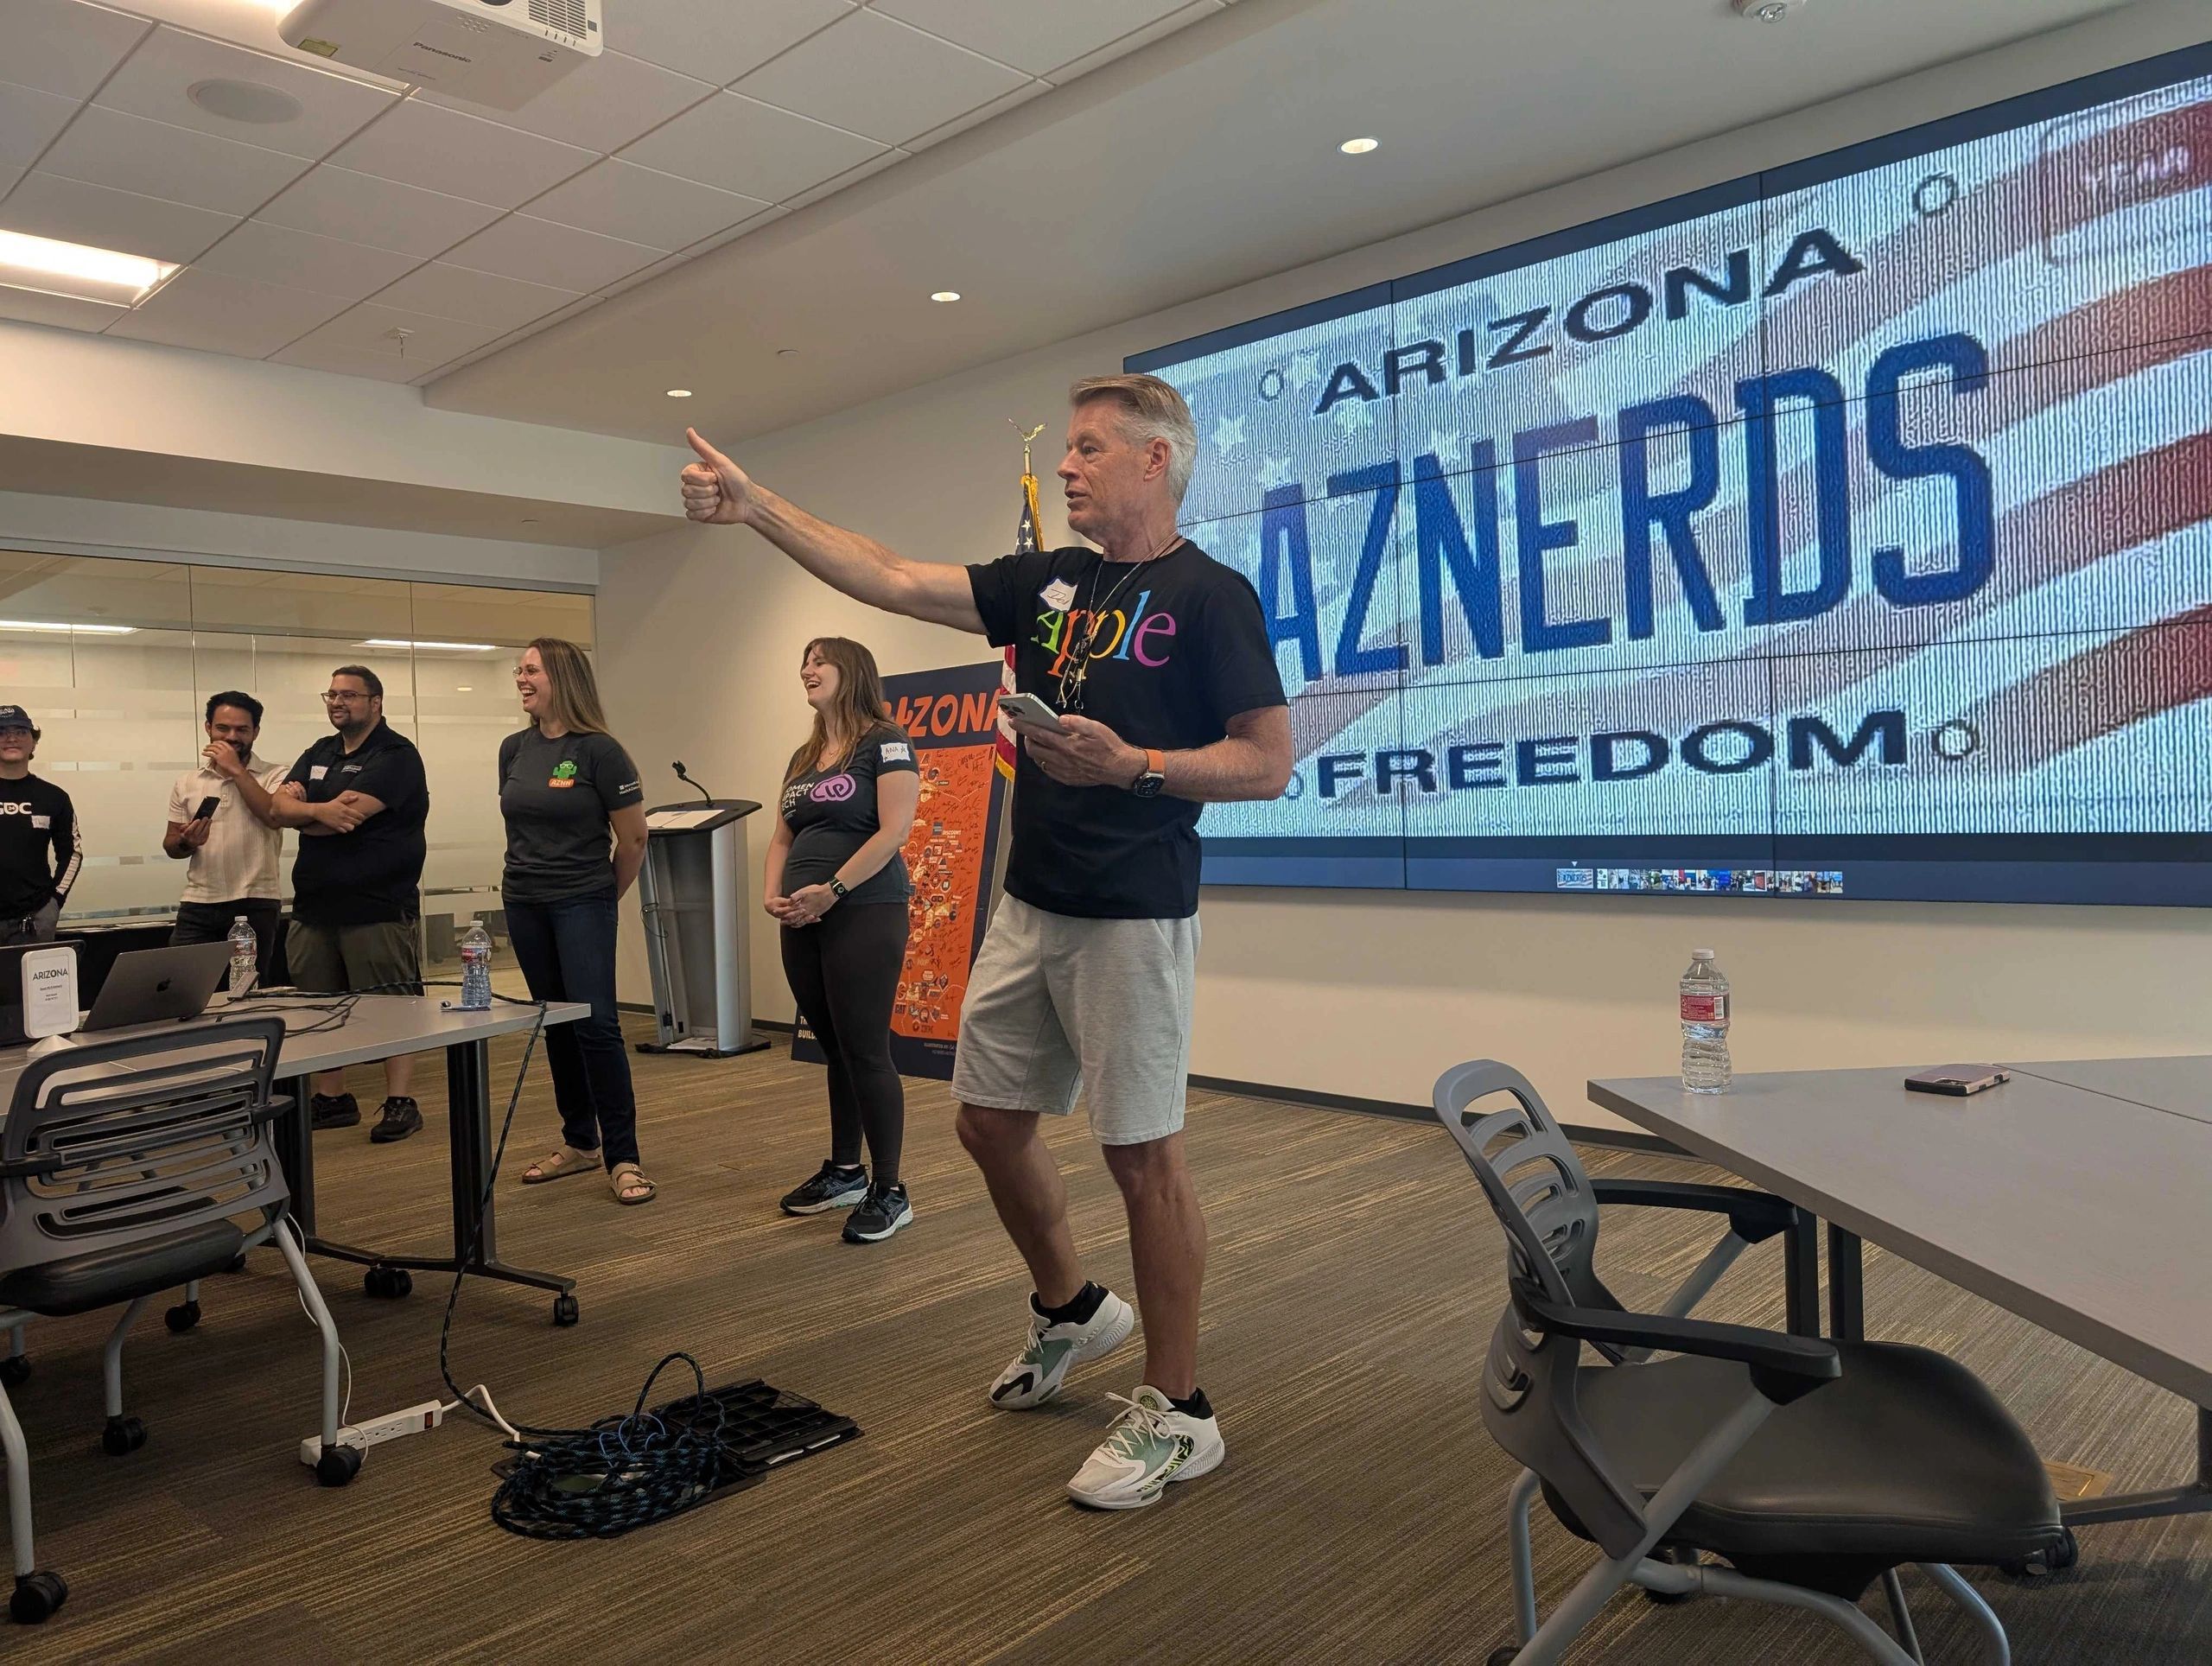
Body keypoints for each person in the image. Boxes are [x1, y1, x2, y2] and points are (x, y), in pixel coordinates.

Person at [680, 373, 1291, 1510]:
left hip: (1134, 912)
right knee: (987, 1121)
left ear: (1155, 463)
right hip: (1032, 903)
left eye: (1090, 449)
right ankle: (1071, 1309)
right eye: (1065, 449)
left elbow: (1268, 760)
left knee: (1142, 1157)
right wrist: (759, 508)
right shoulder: (1053, 583)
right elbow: (896, 575)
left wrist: (1137, 767)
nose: (1067, 466)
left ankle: (1181, 1409)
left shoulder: (1212, 597)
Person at [220, 666, 429, 1143]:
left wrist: (304, 814)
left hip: (376, 905)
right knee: (318, 1007)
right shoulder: (319, 751)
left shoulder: (395, 755)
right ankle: (333, 1099)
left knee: (390, 1007)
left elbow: (350, 816)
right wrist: (318, 813)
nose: (338, 702)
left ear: (376, 702)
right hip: (315, 904)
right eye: (332, 694)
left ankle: (400, 1102)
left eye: (349, 695)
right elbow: (277, 810)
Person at [766, 637, 921, 1244]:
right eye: (802, 660)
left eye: (819, 660)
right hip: (802, 916)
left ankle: (890, 1189)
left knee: (865, 1049)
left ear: (850, 671)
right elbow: (781, 837)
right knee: (835, 1048)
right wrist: (773, 894)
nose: (806, 668)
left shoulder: (885, 739)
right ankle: (845, 1172)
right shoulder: (804, 756)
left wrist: (833, 887)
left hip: (865, 907)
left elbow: (895, 830)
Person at [502, 639, 657, 1206]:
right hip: (524, 901)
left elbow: (634, 838)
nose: (521, 677)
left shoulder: (600, 751)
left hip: (582, 899)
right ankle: (579, 1141)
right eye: (519, 669)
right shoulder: (513, 749)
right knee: (557, 1021)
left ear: (561, 677)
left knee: (596, 1027)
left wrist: (600, 900)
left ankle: (623, 1156)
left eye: (531, 669)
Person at [166, 690, 289, 983]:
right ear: (208, 728)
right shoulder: (188, 782)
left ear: (256, 732)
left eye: (242, 729)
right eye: (223, 728)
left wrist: (235, 769)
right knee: (182, 986)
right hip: (199, 901)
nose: (232, 736)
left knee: (248, 990)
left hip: (255, 900)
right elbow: (171, 844)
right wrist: (187, 842)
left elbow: (273, 816)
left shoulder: (277, 775)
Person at [0, 705, 79, 945]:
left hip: (33, 923)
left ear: (33, 742)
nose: (11, 738)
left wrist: (55, 900)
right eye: (2, 732)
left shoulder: (54, 797)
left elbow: (72, 853)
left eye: (20, 731)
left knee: (27, 985)